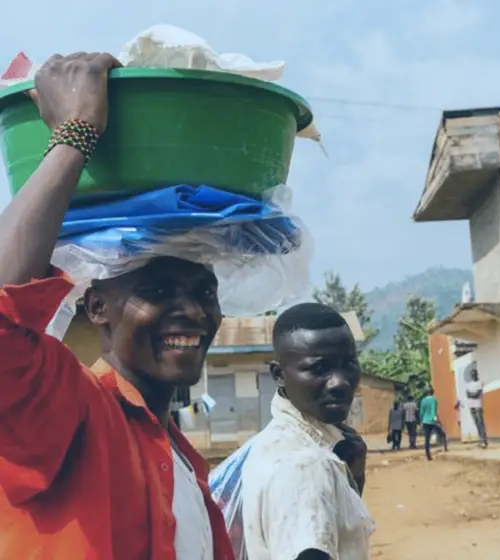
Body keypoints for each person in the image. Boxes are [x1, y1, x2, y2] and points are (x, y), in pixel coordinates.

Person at [0, 53, 234, 559]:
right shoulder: (69, 412)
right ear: (97, 306)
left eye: (204, 292)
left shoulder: (182, 462)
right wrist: (76, 133)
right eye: (158, 292)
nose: (194, 312)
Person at [241, 302, 374, 560]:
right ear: (279, 375)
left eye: (349, 363)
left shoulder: (273, 444)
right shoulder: (305, 465)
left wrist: (352, 480)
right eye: (319, 369)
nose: (340, 382)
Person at [419, 386, 448, 461]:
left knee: (427, 439)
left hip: (425, 421)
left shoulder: (423, 400)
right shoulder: (434, 400)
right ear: (432, 392)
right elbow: (434, 411)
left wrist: (421, 421)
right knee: (442, 434)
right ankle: (445, 448)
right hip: (433, 421)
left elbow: (421, 412)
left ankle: (428, 456)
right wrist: (437, 420)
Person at [467, 368, 488, 448]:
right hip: (471, 405)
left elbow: (477, 394)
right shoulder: (469, 384)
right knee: (476, 423)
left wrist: (472, 394)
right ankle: (481, 439)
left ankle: (484, 440)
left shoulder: (480, 382)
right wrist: (473, 394)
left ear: (477, 374)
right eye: (472, 374)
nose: (473, 376)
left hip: (477, 405)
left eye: (474, 374)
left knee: (480, 422)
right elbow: (467, 394)